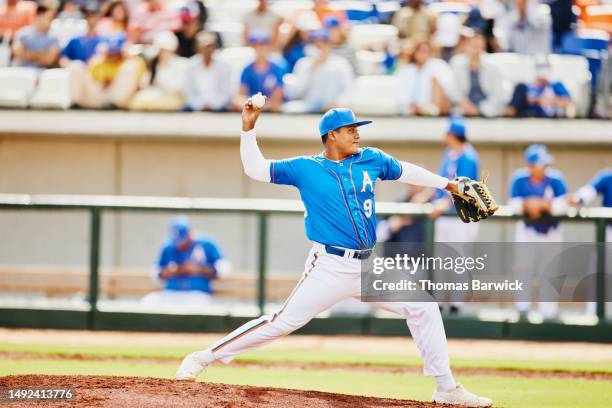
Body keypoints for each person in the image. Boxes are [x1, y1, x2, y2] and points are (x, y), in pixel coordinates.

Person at [175, 101, 494, 408]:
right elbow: (255, 169)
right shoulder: (305, 168)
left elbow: (406, 171)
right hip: (329, 266)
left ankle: (446, 388)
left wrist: (449, 185)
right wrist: (248, 129)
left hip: (370, 265)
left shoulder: (371, 159)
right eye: (350, 128)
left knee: (423, 305)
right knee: (280, 322)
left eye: (357, 127)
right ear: (331, 135)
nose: (357, 133)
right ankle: (203, 357)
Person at [509, 144, 568, 321]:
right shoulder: (519, 179)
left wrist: (542, 205)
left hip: (551, 231)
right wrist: (528, 204)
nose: (543, 167)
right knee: (522, 268)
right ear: (530, 165)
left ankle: (548, 311)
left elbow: (563, 204)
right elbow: (514, 204)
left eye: (544, 164)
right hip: (526, 231)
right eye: (538, 164)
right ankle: (522, 308)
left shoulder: (556, 179)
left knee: (549, 270)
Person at [429, 118, 480, 314]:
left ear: (454, 135)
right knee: (442, 260)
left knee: (459, 260)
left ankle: (457, 305)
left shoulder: (468, 156)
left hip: (462, 216)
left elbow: (462, 188)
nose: (445, 137)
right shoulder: (449, 155)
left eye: (447, 134)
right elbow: (442, 183)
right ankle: (440, 302)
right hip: (445, 216)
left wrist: (441, 204)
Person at [141, 216, 232, 307]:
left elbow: (224, 269)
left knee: (197, 306)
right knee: (147, 302)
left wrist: (198, 270)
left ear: (189, 233)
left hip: (198, 294)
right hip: (172, 293)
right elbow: (155, 272)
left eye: (182, 240)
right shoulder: (169, 246)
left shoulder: (206, 243)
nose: (179, 245)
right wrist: (169, 272)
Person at [569, 168, 612, 316]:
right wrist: (578, 198)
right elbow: (588, 192)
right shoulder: (608, 176)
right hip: (609, 234)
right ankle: (594, 317)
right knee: (598, 275)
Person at [283, 30, 353, 113]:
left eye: (324, 43)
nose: (320, 47)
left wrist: (338, 103)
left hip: (333, 110)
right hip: (307, 108)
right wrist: (312, 69)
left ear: (329, 45)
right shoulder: (303, 64)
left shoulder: (341, 63)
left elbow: (348, 90)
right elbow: (296, 93)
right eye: (316, 44)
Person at [71, 33, 144, 109]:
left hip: (119, 98)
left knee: (130, 67)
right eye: (111, 51)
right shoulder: (97, 61)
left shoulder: (133, 62)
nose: (113, 55)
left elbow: (139, 86)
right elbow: (93, 83)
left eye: (116, 52)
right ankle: (75, 102)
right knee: (76, 65)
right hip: (99, 96)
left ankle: (114, 104)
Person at [128, 31, 188, 111]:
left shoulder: (182, 64)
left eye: (163, 50)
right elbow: (145, 84)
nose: (160, 53)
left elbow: (178, 88)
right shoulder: (155, 64)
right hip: (158, 96)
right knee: (138, 99)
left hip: (173, 98)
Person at [449, 33, 505, 117]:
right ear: (466, 46)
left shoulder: (493, 66)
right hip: (465, 109)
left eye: (479, 47)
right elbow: (453, 90)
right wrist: (466, 105)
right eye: (474, 46)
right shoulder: (457, 63)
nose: (476, 50)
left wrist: (483, 108)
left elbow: (498, 93)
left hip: (488, 110)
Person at [395, 37, 453, 116]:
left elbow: (447, 90)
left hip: (433, 109)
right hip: (408, 110)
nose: (423, 54)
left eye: (426, 51)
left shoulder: (439, 66)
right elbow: (399, 93)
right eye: (420, 51)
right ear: (414, 52)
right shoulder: (406, 70)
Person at [233, 33, 284, 112]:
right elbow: (241, 93)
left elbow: (279, 94)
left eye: (264, 46)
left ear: (269, 48)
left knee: (277, 105)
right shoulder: (247, 69)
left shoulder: (277, 69)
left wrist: (264, 105)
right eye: (257, 46)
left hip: (270, 105)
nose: (261, 49)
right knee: (236, 101)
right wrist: (253, 104)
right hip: (252, 104)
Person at [183, 31, 231, 112]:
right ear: (198, 47)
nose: (207, 50)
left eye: (210, 46)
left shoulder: (224, 66)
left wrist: (212, 106)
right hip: (195, 107)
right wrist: (200, 106)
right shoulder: (190, 66)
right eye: (204, 46)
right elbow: (188, 92)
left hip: (219, 108)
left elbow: (226, 93)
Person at [507, 65, 572, 118]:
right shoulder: (530, 86)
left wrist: (546, 100)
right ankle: (513, 112)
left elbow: (568, 101)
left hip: (543, 112)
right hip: (527, 109)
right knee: (520, 87)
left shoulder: (555, 85)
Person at [11, 4, 59, 69]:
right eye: (49, 18)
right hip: (20, 72)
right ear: (40, 16)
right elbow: (17, 53)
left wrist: (27, 54)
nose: (51, 22)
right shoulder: (23, 32)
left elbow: (49, 60)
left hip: (41, 74)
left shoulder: (53, 37)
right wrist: (41, 55)